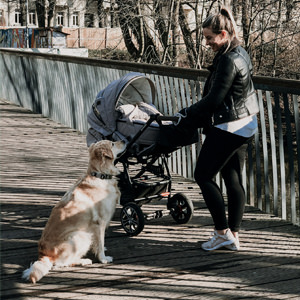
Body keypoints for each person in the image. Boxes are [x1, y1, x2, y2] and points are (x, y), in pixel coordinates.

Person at [175, 7, 259, 251]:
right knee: (231, 177)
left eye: (210, 38)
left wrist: (187, 113)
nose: (207, 42)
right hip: (245, 123)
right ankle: (233, 234)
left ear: (223, 34)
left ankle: (222, 233)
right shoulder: (239, 51)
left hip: (229, 125)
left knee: (203, 175)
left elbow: (214, 100)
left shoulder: (229, 60)